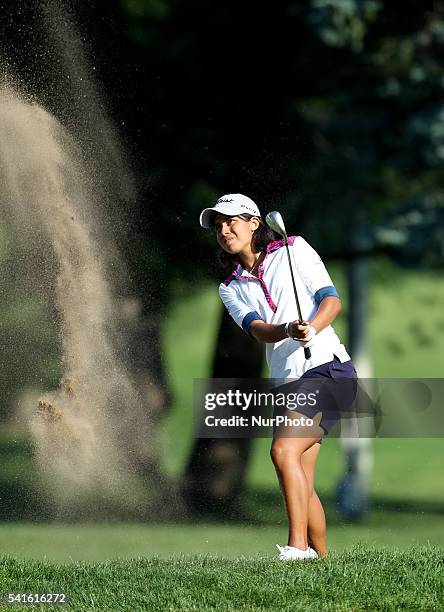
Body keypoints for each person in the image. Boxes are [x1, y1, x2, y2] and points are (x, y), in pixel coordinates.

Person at [199, 193, 357, 560]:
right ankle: (321, 562)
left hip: (327, 369)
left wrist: (311, 327)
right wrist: (287, 329)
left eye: (231, 221)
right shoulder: (230, 286)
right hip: (288, 382)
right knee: (299, 477)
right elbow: (257, 329)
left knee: (283, 451)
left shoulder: (294, 249)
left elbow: (331, 300)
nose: (224, 230)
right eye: (218, 225)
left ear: (254, 223)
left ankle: (296, 549)